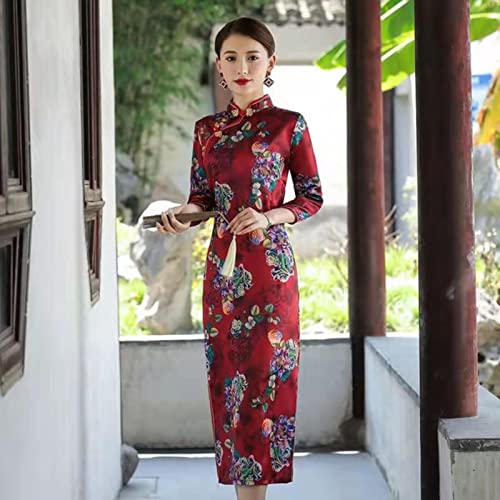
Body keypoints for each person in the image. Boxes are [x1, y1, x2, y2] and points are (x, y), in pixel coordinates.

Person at [156, 16, 323, 500]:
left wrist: (269, 217)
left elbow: (310, 197)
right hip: (223, 274)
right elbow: (202, 200)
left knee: (266, 383)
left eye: (253, 57)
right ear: (219, 66)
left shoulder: (289, 125)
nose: (242, 67)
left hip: (270, 273)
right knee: (229, 382)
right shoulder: (206, 131)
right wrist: (179, 217)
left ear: (271, 64)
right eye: (231, 58)